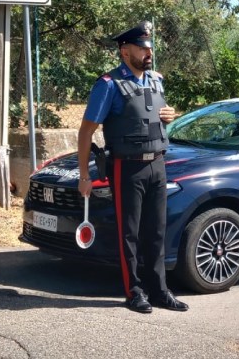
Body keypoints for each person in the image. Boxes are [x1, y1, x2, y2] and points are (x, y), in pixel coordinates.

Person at [77, 21, 188, 314]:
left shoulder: (156, 80)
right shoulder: (108, 85)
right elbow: (86, 132)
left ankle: (160, 290)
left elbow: (155, 117)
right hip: (126, 167)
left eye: (149, 46)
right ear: (125, 51)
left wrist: (170, 116)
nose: (148, 51)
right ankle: (134, 291)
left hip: (158, 164)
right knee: (130, 233)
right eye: (142, 47)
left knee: (157, 232)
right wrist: (84, 176)